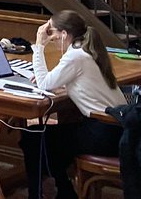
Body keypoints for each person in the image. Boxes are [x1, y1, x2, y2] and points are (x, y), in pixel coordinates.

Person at [21, 11, 126, 199]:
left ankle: (40, 193)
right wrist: (58, 80)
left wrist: (38, 46)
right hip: (115, 130)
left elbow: (45, 84)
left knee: (33, 137)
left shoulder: (76, 56)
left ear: (63, 34)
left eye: (51, 32)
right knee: (51, 141)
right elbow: (78, 81)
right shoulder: (86, 51)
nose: (49, 37)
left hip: (102, 134)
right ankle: (64, 190)